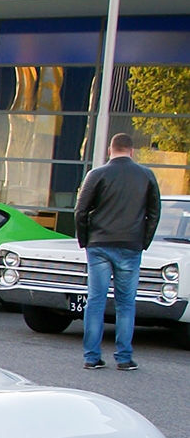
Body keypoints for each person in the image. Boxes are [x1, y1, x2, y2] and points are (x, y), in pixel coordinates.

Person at [76, 132, 162, 371]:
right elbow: (154, 212)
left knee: (95, 300)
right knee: (126, 303)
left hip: (99, 245)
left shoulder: (97, 174)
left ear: (110, 151)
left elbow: (81, 210)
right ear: (132, 151)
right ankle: (124, 357)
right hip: (130, 246)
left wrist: (85, 240)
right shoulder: (146, 175)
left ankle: (92, 357)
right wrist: (143, 241)